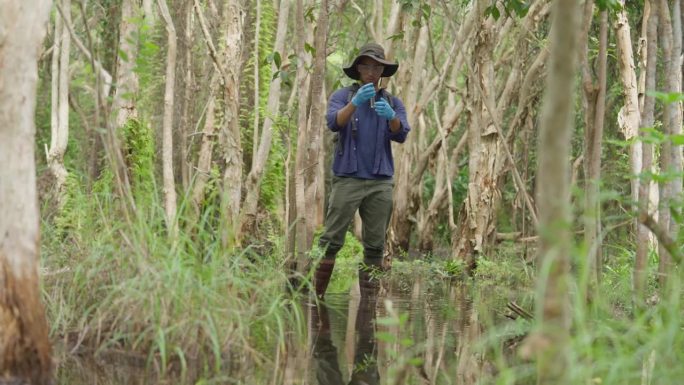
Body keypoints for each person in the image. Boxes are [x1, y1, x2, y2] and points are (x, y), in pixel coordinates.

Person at [313, 42, 410, 299]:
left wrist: (391, 116)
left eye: (376, 66)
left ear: (382, 71)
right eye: (365, 65)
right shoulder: (342, 97)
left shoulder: (392, 101)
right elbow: (334, 123)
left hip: (380, 182)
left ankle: (368, 310)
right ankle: (315, 300)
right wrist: (355, 103)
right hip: (348, 179)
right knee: (331, 241)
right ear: (357, 69)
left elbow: (401, 134)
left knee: (375, 246)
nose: (371, 71)